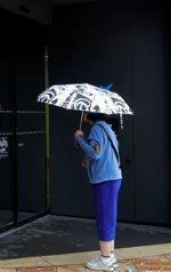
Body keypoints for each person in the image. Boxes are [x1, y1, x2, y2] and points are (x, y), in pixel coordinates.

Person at [74, 112, 123, 271]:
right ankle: (109, 255)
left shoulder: (97, 128)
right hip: (112, 177)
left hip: (104, 179)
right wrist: (87, 162)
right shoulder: (106, 127)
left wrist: (79, 139)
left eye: (84, 112)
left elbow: (95, 153)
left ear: (90, 114)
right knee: (109, 216)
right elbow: (103, 152)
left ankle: (105, 259)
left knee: (104, 217)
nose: (82, 114)